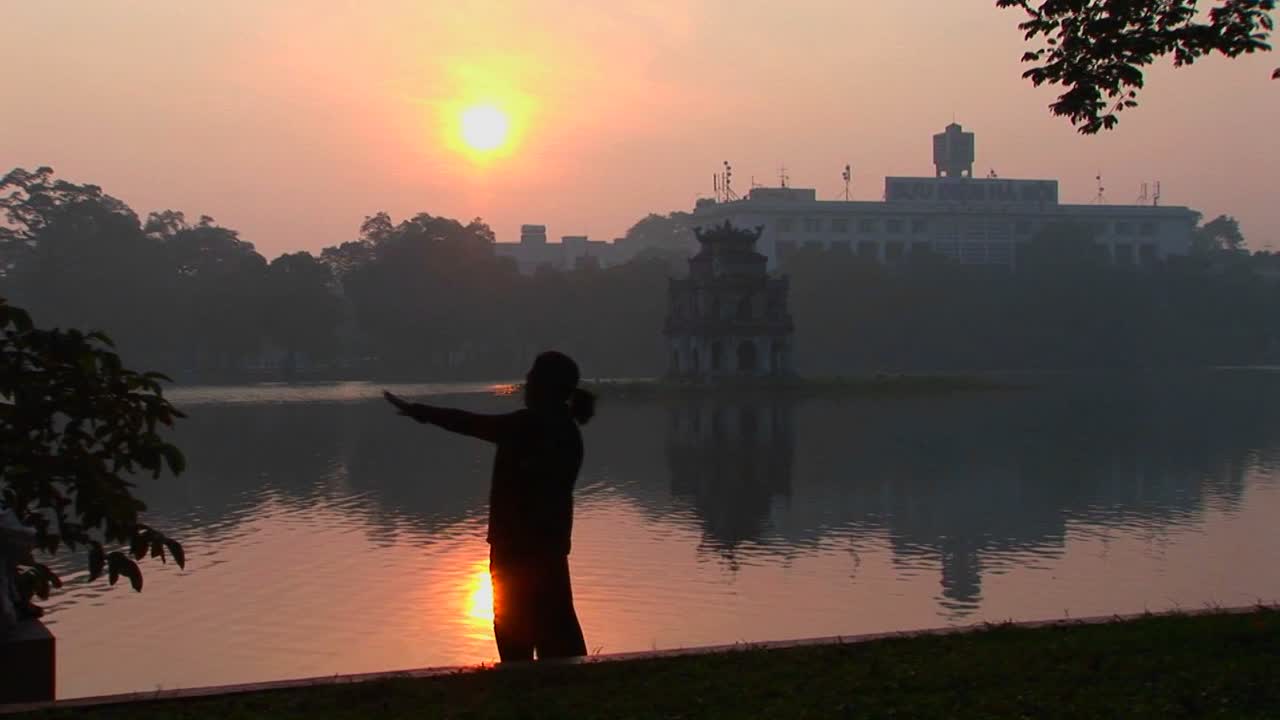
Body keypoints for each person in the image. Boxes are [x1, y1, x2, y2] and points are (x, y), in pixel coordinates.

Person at [383, 351, 594, 662]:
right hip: (547, 546)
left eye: (532, 379)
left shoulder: (531, 426)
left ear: (546, 388)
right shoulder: (565, 430)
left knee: (515, 624)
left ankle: (522, 687)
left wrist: (420, 411)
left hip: (518, 546)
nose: (526, 385)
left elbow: (469, 423)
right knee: (555, 624)